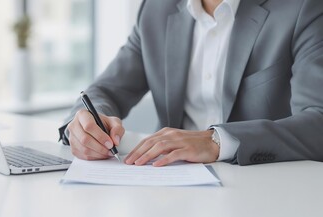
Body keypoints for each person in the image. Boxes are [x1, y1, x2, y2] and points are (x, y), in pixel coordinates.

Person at [59, 0, 323, 166]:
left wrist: (217, 141)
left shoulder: (303, 8)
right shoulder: (156, 9)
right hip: (169, 187)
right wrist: (84, 124)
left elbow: (318, 122)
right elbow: (105, 91)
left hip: (264, 191)